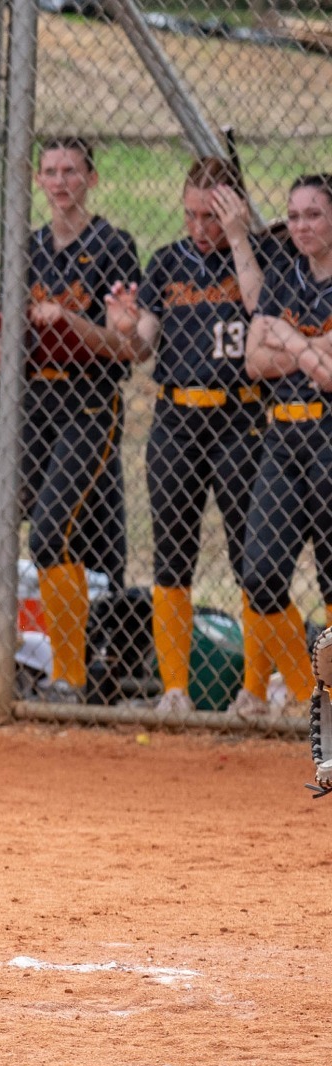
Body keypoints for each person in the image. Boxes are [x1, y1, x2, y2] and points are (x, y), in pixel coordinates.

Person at [113, 159, 270, 715]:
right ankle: (174, 688)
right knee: (171, 556)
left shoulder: (259, 257)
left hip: (239, 420)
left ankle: (254, 690)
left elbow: (261, 307)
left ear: (234, 210)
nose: (199, 227)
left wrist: (238, 238)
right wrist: (126, 328)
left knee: (251, 559)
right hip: (177, 419)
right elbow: (141, 348)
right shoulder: (167, 263)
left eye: (212, 216)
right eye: (191, 214)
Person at [17, 138, 143, 705]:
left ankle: (68, 675)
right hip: (34, 402)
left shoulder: (113, 247)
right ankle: (74, 665)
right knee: (61, 535)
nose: (61, 181)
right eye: (51, 172)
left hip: (89, 402)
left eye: (72, 171)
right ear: (38, 180)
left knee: (48, 534)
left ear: (92, 179)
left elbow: (125, 348)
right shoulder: (29, 248)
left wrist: (68, 320)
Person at [240, 174, 332, 717]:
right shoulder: (282, 274)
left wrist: (290, 338)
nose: (301, 226)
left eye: (314, 214)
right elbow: (254, 362)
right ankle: (308, 693)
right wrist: (312, 349)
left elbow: (329, 376)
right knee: (261, 573)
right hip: (283, 436)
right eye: (294, 216)